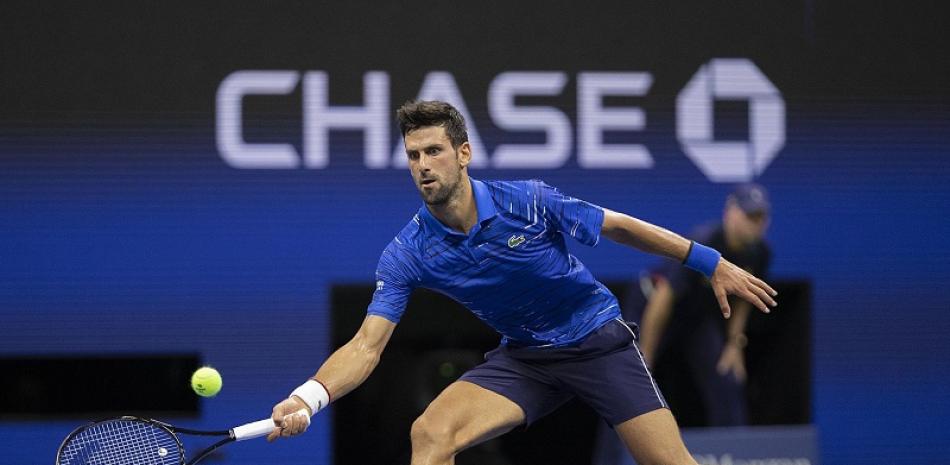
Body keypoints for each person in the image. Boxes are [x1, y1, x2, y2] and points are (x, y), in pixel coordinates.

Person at [265, 100, 777, 465]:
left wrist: (710, 262)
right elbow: (366, 346)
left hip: (598, 344)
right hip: (527, 360)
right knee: (431, 432)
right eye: (413, 156)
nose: (422, 166)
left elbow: (619, 226)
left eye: (434, 152)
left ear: (463, 154)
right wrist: (307, 398)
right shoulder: (408, 251)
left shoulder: (526, 201)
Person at [633, 184, 772, 427]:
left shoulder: (759, 252)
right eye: (750, 216)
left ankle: (734, 453)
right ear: (731, 212)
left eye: (761, 217)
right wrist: (646, 354)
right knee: (632, 384)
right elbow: (664, 298)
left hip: (695, 317)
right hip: (652, 305)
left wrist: (734, 343)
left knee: (727, 378)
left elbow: (744, 299)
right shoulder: (705, 242)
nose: (756, 224)